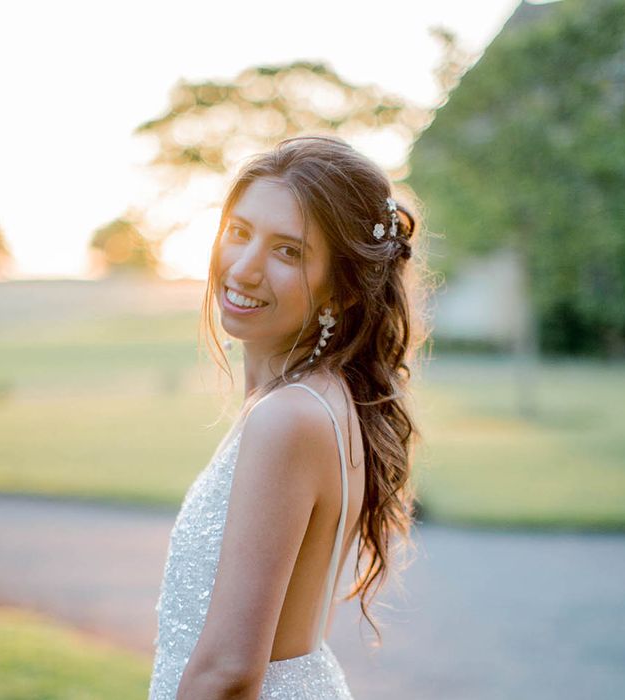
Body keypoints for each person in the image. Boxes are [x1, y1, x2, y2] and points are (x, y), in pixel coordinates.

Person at [148, 135, 430, 699]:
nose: (244, 269)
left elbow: (231, 671)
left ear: (342, 290)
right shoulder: (315, 399)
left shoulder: (290, 419)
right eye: (239, 232)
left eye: (288, 251)